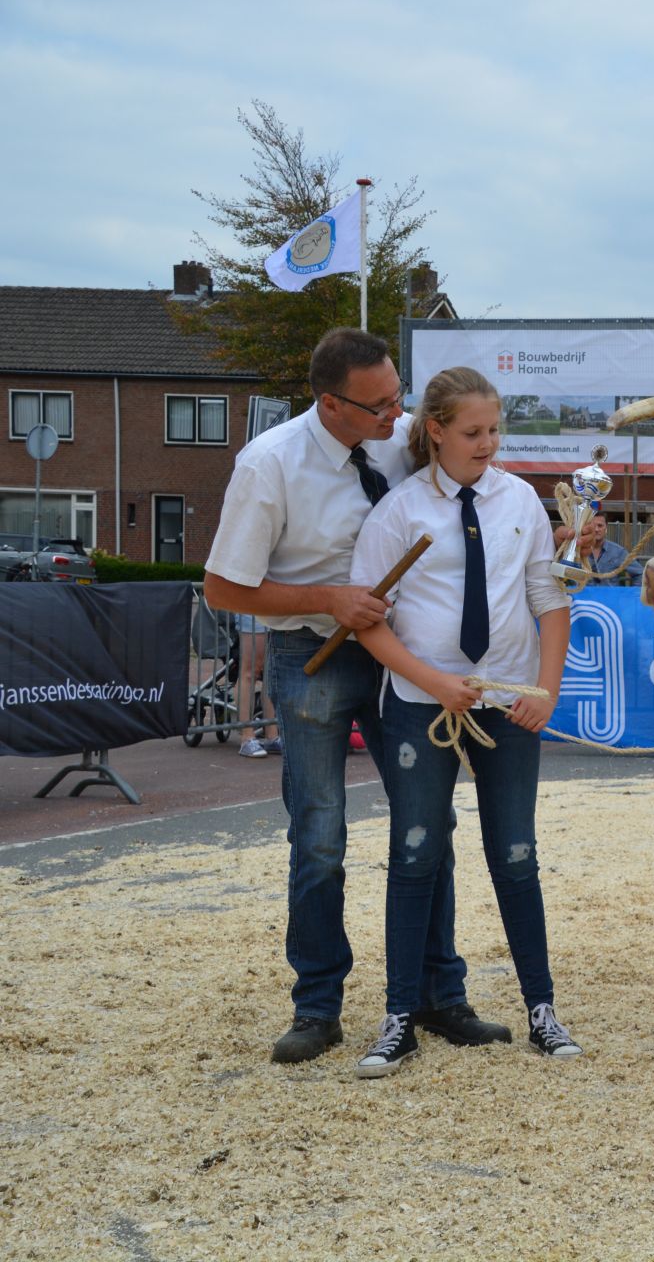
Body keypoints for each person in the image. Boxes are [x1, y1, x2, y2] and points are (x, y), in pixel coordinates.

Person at [204, 328, 505, 1063]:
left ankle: (438, 994)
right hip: (318, 652)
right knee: (320, 834)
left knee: (429, 827)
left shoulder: (401, 436)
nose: (395, 418)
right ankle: (317, 1007)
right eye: (377, 406)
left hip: (408, 647)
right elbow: (222, 587)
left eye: (399, 398)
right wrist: (327, 599)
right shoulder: (268, 464)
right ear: (329, 403)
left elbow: (480, 485)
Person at [347, 366, 580, 1077]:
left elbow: (548, 596)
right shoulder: (399, 512)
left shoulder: (520, 500)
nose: (487, 444)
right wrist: (433, 683)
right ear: (437, 430)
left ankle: (542, 1009)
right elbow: (369, 622)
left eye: (494, 431)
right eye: (473, 432)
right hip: (422, 709)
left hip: (507, 702)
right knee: (414, 855)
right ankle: (398, 1016)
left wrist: (546, 687)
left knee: (516, 855)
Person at [233, 610, 281, 758]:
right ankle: (247, 737)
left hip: (273, 608)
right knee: (251, 670)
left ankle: (272, 736)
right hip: (251, 608)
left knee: (270, 670)